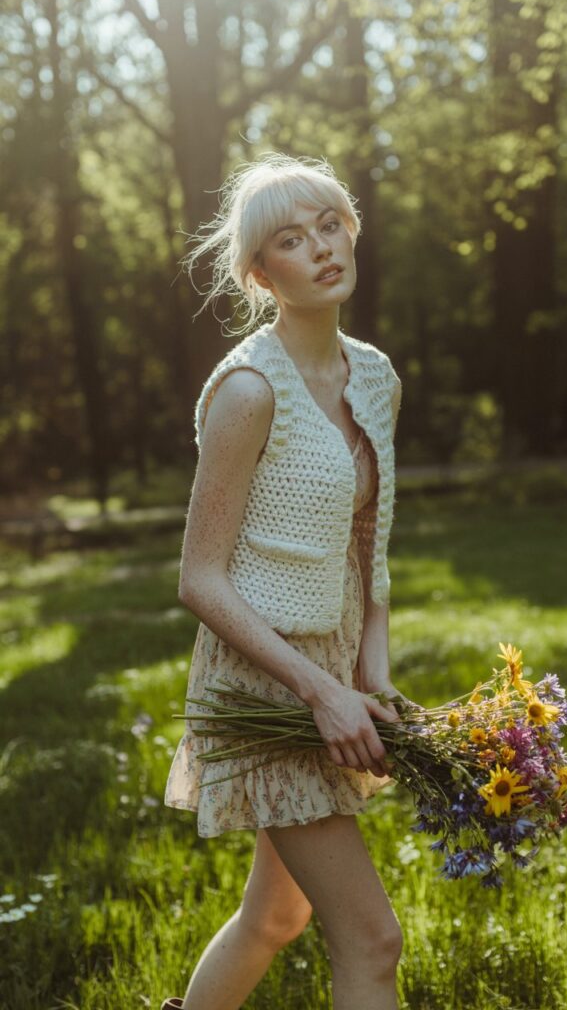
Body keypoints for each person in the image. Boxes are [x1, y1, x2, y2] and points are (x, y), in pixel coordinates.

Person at [162, 152, 406, 1010]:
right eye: (293, 241)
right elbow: (199, 578)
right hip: (264, 684)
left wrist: (369, 673)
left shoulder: (373, 376)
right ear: (262, 274)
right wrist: (320, 693)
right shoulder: (249, 391)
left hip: (332, 675)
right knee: (373, 942)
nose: (323, 249)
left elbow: (367, 546)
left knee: (276, 918)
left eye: (331, 225)